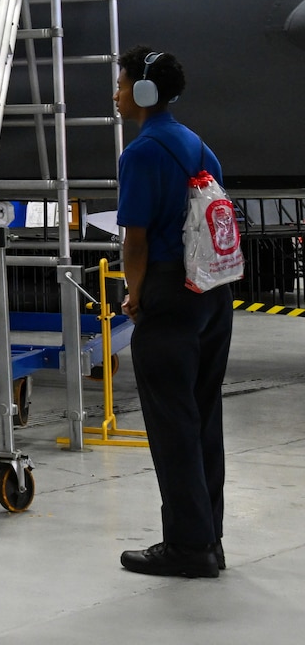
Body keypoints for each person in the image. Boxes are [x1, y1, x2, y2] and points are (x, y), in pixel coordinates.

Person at [114, 48, 230, 579]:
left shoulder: (141, 152)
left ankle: (187, 547)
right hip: (212, 291)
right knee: (203, 416)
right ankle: (209, 537)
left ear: (142, 91)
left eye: (121, 85)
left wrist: (133, 294)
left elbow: (134, 239)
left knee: (172, 424)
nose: (115, 94)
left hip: (168, 290)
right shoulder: (201, 146)